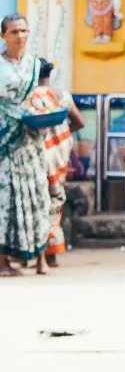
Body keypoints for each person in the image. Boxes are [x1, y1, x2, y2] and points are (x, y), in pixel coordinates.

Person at [0, 15, 51, 277]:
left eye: (24, 31)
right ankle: (3, 261)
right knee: (6, 199)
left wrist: (41, 109)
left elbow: (38, 96)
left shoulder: (34, 64)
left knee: (38, 196)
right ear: (3, 36)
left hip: (31, 139)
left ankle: (41, 258)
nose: (20, 36)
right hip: (5, 141)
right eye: (14, 32)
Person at [26, 60, 84, 268]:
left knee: (38, 202)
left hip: (40, 155)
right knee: (56, 202)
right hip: (60, 155)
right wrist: (62, 133)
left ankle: (38, 254)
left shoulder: (33, 97)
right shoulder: (62, 95)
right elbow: (80, 122)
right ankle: (52, 254)